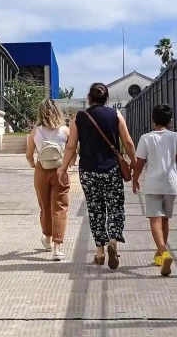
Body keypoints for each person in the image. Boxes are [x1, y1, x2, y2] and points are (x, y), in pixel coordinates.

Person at [57, 83, 137, 269]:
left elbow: (71, 146)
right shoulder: (115, 115)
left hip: (88, 171)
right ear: (106, 98)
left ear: (89, 98)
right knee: (115, 207)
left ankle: (100, 252)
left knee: (95, 210)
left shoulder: (79, 118)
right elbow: (127, 141)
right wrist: (134, 162)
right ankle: (113, 240)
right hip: (111, 170)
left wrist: (63, 168)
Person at [131, 104, 177, 277]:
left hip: (153, 183)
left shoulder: (146, 138)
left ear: (152, 120)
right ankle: (160, 254)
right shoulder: (175, 136)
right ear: (170, 121)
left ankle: (163, 252)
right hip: (170, 183)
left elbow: (139, 162)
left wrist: (135, 179)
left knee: (155, 219)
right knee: (165, 220)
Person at [26, 99, 70, 261]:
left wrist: (34, 165)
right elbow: (72, 151)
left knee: (45, 206)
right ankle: (58, 248)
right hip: (60, 171)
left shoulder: (35, 132)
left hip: (41, 171)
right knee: (59, 207)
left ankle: (47, 238)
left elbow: (29, 155)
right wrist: (68, 165)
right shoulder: (65, 131)